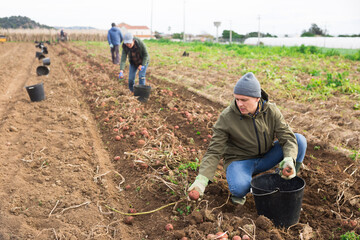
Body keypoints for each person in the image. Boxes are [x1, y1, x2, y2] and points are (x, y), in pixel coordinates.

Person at [188, 72, 307, 205]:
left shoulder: (271, 111)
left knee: (299, 140)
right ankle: (244, 185)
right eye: (237, 99)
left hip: (266, 156)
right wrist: (202, 180)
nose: (239, 104)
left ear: (257, 98)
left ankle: (285, 178)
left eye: (244, 100)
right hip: (240, 161)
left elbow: (287, 137)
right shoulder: (227, 117)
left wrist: (289, 159)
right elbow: (214, 151)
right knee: (239, 188)